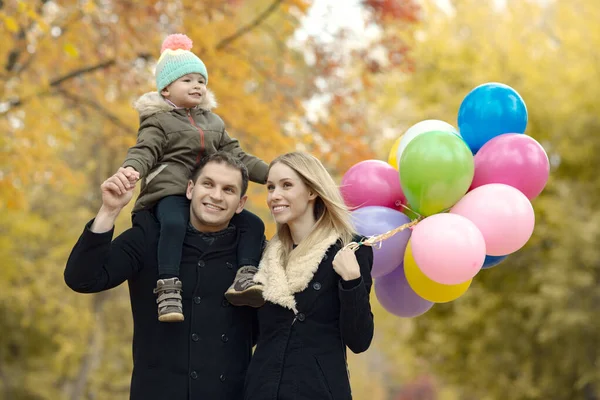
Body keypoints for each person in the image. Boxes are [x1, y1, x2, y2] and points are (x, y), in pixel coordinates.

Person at [64, 152, 260, 400]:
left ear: (241, 203)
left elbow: (266, 330)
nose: (216, 196)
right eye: (208, 184)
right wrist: (109, 211)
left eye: (228, 190)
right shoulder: (148, 237)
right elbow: (82, 278)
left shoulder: (253, 258)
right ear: (190, 189)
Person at [119, 33, 266, 322]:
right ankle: (168, 287)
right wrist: (132, 169)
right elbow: (145, 150)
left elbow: (237, 155)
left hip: (206, 194)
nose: (197, 85)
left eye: (201, 80)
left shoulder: (213, 122)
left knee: (252, 222)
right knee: (173, 223)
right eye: (187, 80)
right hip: (170, 192)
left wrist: (272, 174)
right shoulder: (158, 121)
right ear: (165, 90)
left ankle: (246, 275)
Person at [243, 152, 374, 400]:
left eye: (286, 185)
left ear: (312, 191)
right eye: (271, 187)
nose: (274, 196)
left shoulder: (350, 249)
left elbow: (359, 341)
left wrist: (352, 282)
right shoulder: (265, 256)